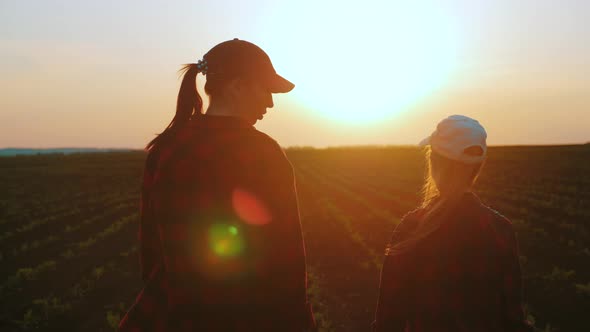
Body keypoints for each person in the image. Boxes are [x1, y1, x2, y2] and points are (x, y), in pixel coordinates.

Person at [119, 38, 315, 332]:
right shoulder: (262, 153)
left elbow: (151, 248)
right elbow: (286, 257)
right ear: (237, 86)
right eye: (266, 90)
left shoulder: (166, 148)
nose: (270, 102)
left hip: (171, 316)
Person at [373, 115, 534, 331]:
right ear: (478, 168)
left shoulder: (411, 229)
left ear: (433, 162)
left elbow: (388, 322)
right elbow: (512, 320)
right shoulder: (500, 230)